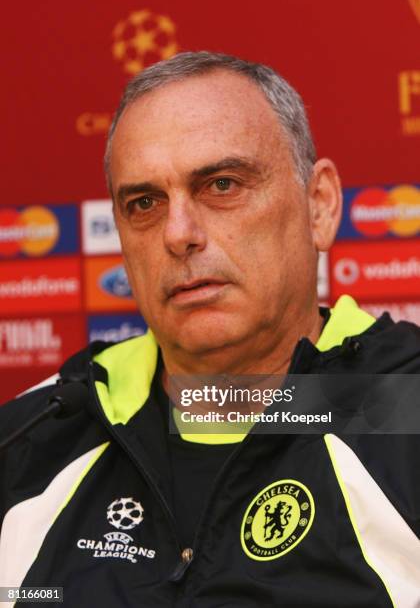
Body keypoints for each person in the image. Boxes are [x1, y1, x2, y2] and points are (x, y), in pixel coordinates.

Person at [1, 51, 420, 608]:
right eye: (144, 202)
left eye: (222, 185)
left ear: (318, 205)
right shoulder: (31, 436)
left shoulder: (406, 408)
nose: (179, 233)